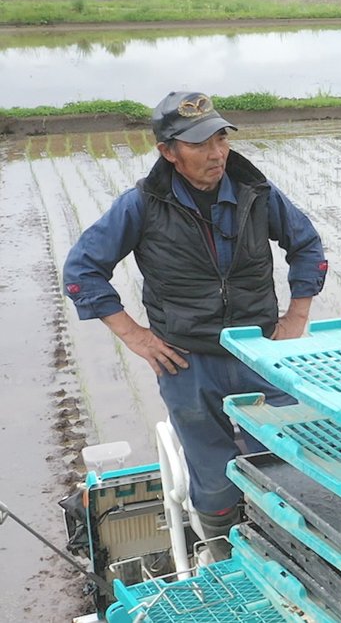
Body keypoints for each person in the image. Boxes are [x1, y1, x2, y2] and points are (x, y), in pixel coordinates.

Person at [62, 91, 327, 557]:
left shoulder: (256, 194)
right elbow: (82, 270)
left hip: (259, 353)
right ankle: (229, 558)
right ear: (168, 152)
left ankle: (291, 552)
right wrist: (136, 336)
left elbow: (306, 246)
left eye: (221, 137)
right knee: (213, 477)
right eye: (200, 143)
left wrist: (296, 316)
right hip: (188, 364)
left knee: (287, 460)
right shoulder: (142, 205)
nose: (217, 153)